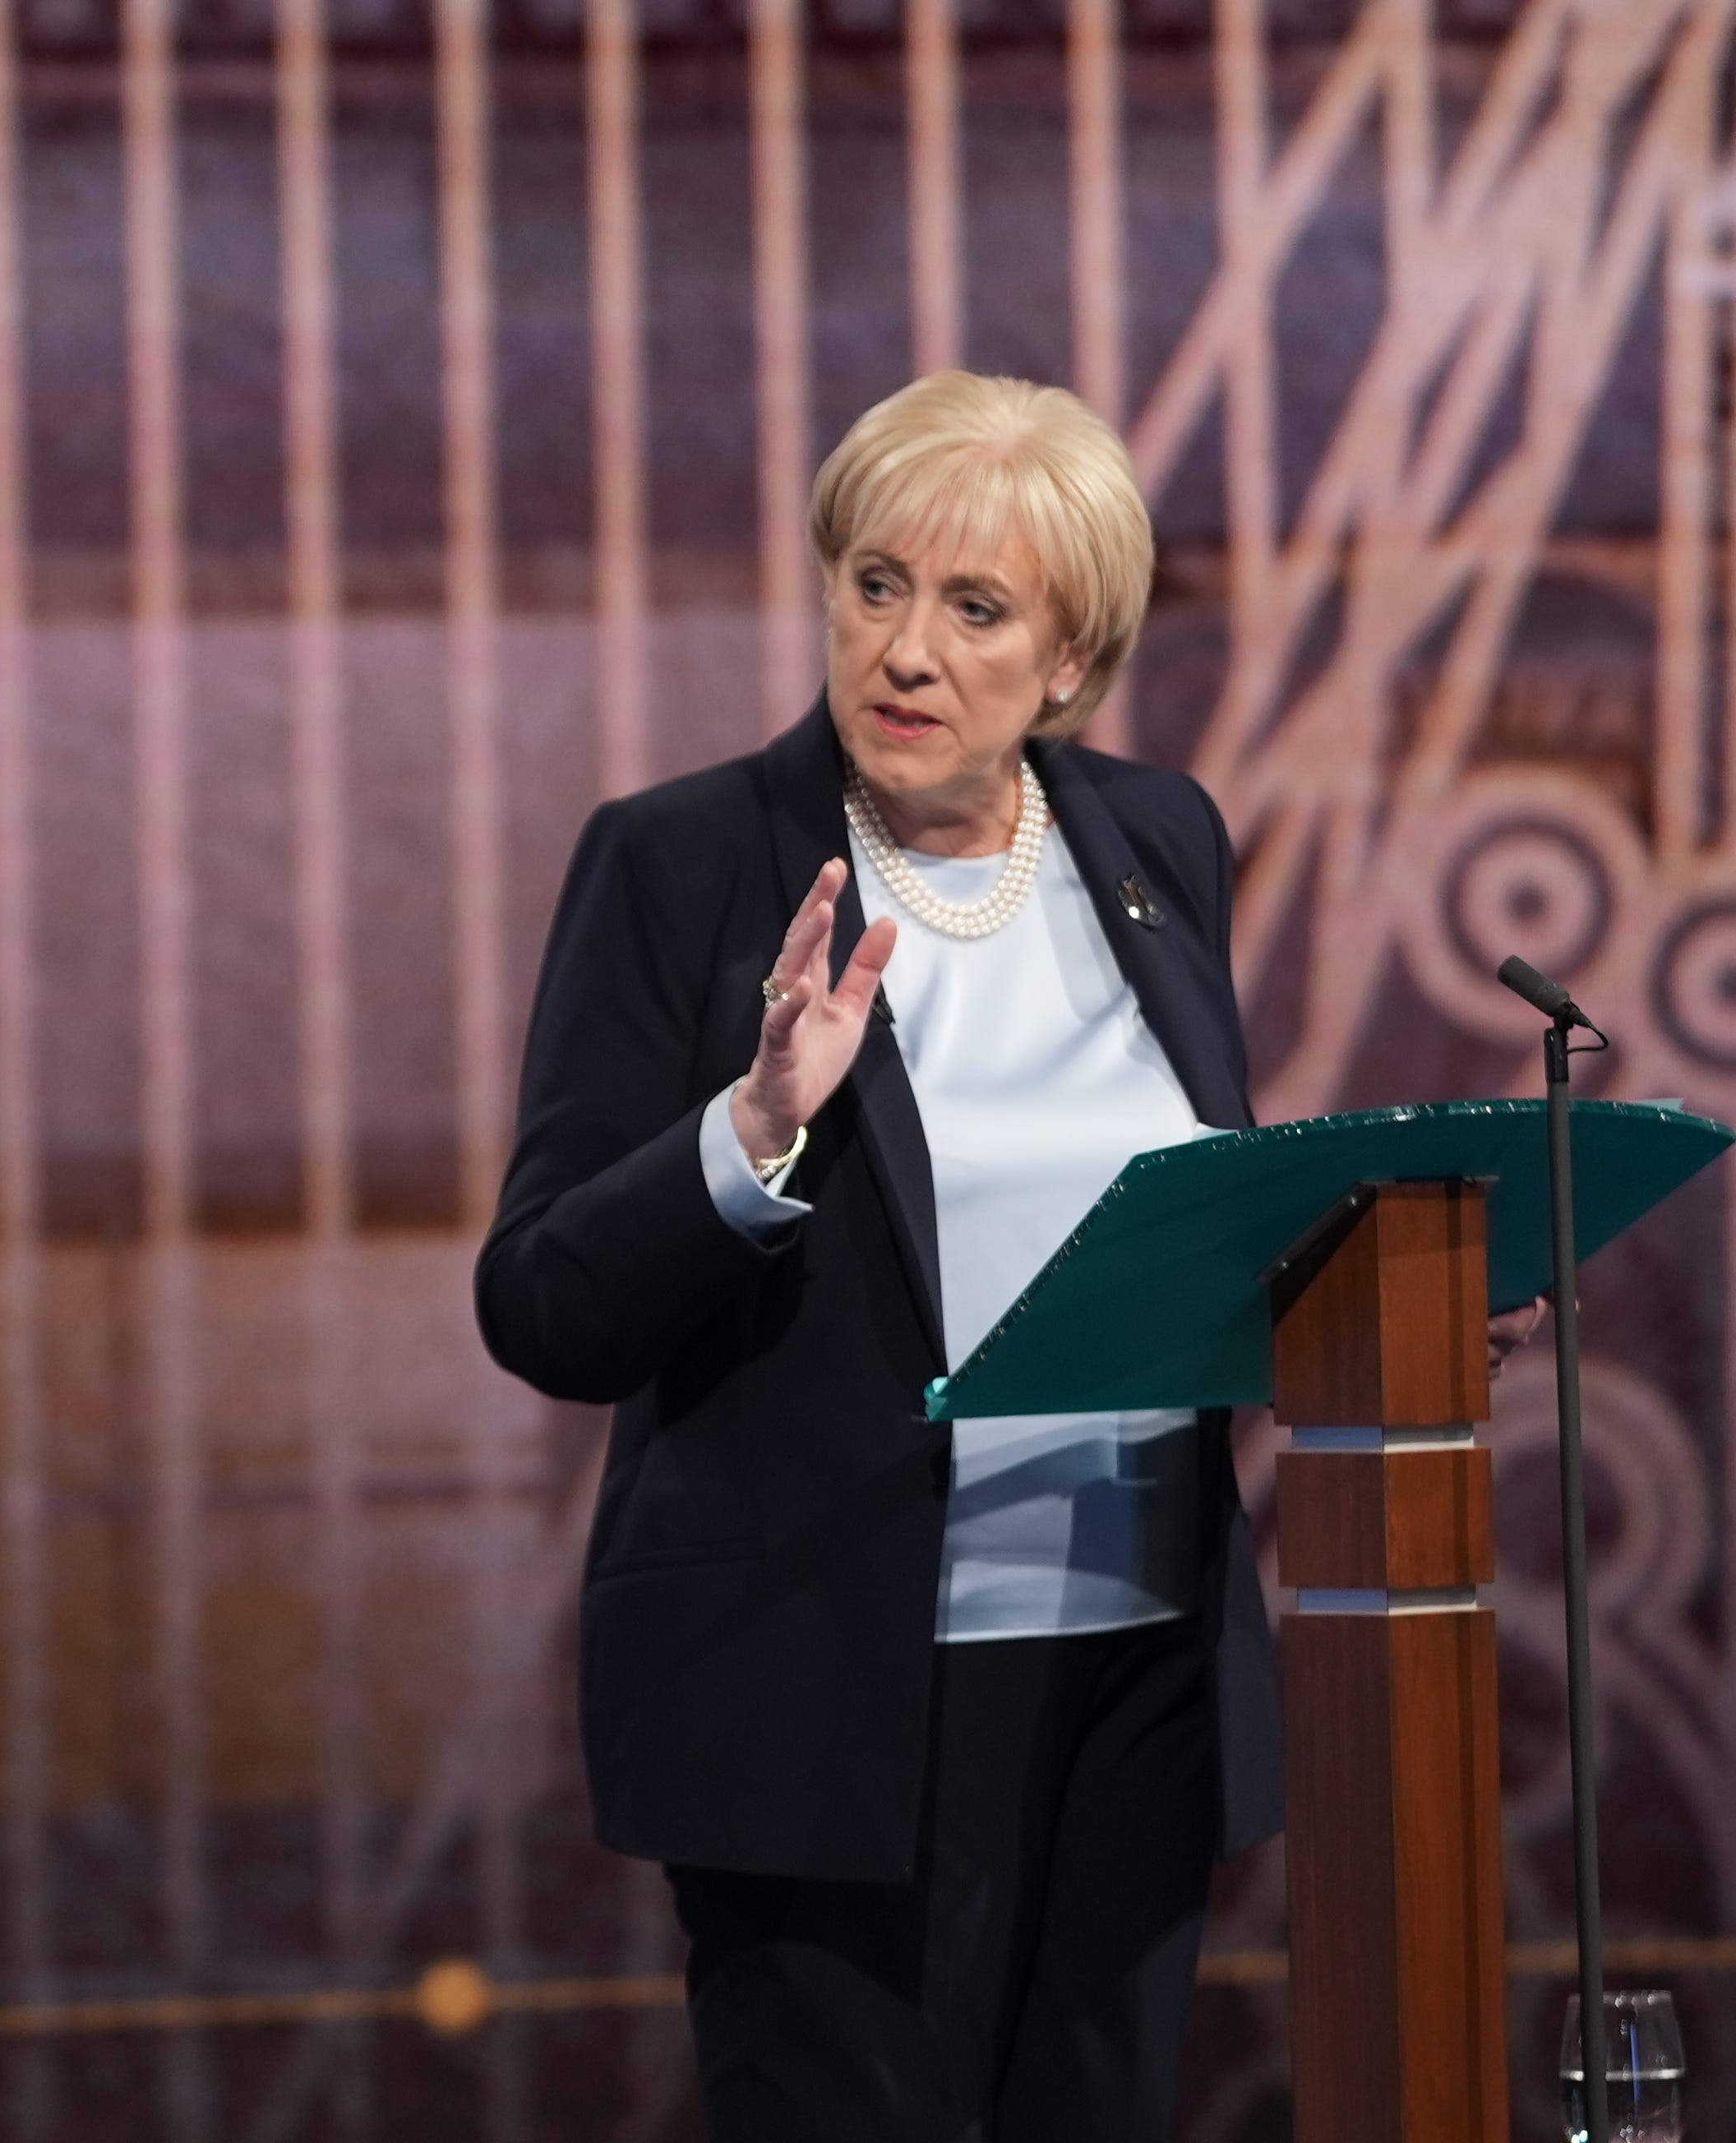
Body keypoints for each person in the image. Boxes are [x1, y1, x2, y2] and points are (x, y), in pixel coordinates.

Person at [477, 370, 1532, 2138]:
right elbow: (544, 1304)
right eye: (875, 583)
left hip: (1136, 1668)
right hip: (824, 1686)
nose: (905, 647)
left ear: (1067, 659)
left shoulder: (1156, 842)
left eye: (975, 609)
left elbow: (1156, 1228)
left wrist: (1359, 1317)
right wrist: (748, 1134)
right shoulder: (684, 862)